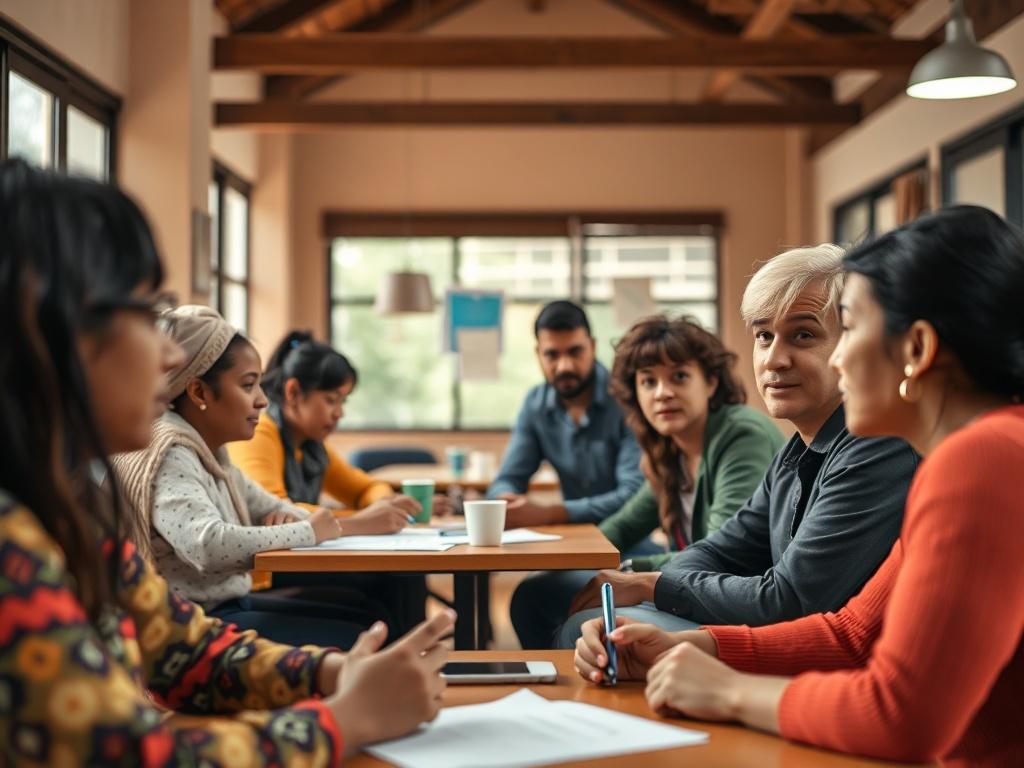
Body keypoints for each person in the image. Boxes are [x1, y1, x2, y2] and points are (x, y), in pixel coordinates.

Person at [0, 160, 453, 766]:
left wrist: (334, 673)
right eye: (143, 314)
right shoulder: (12, 543)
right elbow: (128, 757)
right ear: (51, 330)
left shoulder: (72, 507)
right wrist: (342, 720)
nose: (168, 355)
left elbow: (184, 651)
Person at [573, 205, 1024, 768]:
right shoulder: (975, 452)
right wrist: (697, 646)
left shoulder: (983, 458)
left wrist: (728, 690)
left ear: (917, 350)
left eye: (849, 329)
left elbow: (901, 716)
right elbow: (852, 634)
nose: (839, 358)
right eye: (764, 336)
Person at [558, 244, 919, 647]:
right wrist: (650, 581)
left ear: (852, 344)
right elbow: (720, 549)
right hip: (781, 636)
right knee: (586, 620)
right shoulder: (796, 451)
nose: (774, 359)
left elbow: (789, 600)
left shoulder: (877, 447)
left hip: (825, 660)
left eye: (803, 335)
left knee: (592, 626)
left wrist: (650, 584)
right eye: (764, 336)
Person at [114, 307, 404, 647]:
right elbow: (207, 545)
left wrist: (295, 520)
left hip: (226, 604)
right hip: (192, 625)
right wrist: (308, 530)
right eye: (248, 385)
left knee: (371, 617)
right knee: (366, 634)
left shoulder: (213, 454)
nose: (263, 400)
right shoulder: (170, 452)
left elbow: (274, 506)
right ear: (199, 392)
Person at [510, 316, 784, 648]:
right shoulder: (670, 448)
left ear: (711, 382)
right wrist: (567, 556)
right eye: (648, 381)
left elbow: (720, 553)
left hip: (737, 604)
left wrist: (630, 571)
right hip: (691, 587)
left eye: (679, 377)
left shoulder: (741, 435)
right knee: (537, 592)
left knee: (582, 625)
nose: (662, 393)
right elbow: (623, 527)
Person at [229, 330, 430, 634]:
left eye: (343, 401)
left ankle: (407, 654)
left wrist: (383, 506)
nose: (339, 413)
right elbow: (275, 514)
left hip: (298, 554)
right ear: (293, 392)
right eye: (331, 400)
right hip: (265, 567)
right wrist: (363, 520)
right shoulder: (261, 433)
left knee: (400, 575)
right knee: (396, 576)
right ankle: (408, 655)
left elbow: (364, 487)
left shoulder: (310, 445)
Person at [488, 300, 644, 529]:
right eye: (552, 355)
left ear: (592, 346)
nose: (564, 366)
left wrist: (552, 513)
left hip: (629, 538)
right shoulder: (535, 405)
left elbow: (634, 497)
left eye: (575, 351)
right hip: (571, 537)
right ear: (538, 354)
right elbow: (508, 479)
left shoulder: (628, 399)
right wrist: (506, 499)